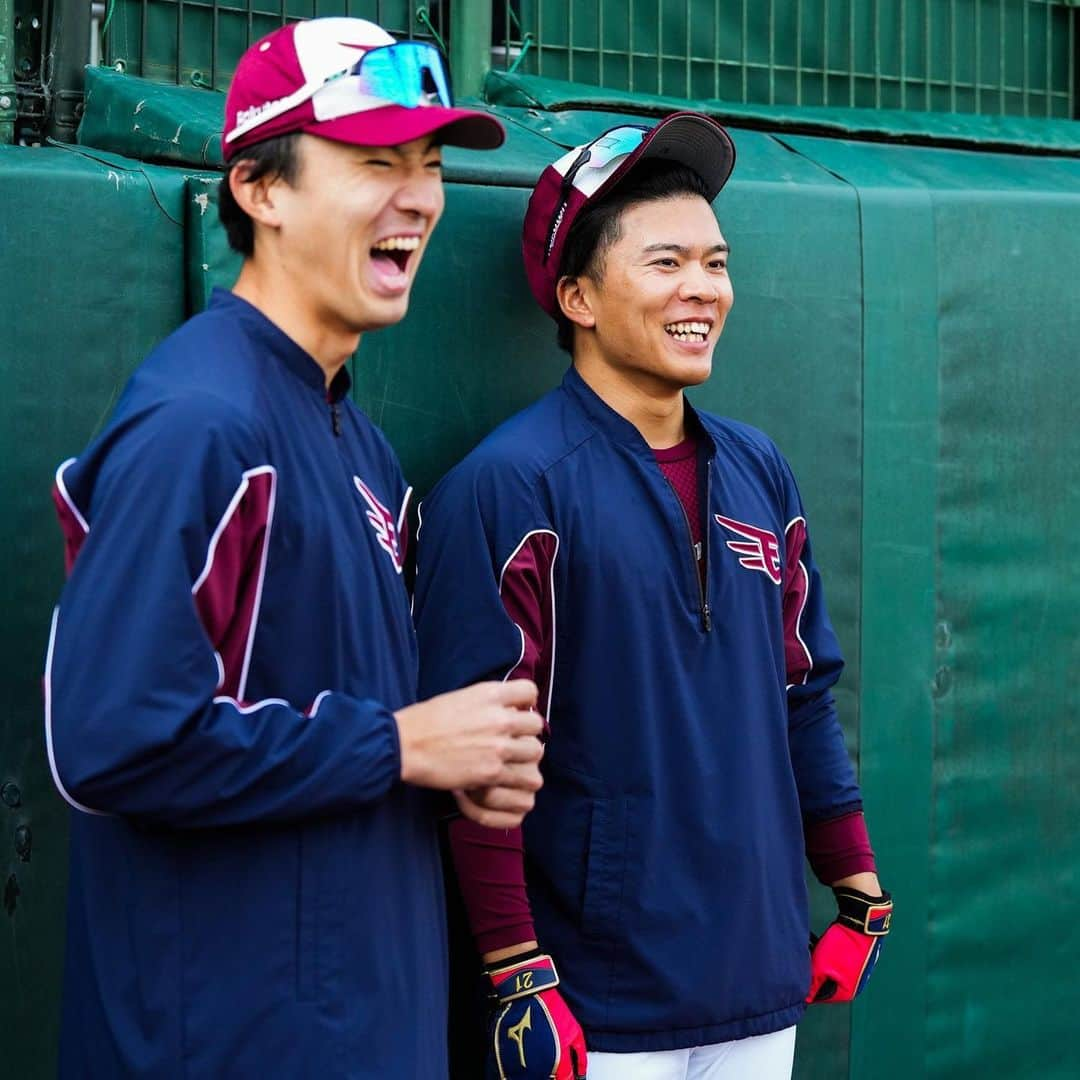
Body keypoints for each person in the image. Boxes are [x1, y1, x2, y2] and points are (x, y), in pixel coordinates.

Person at [43, 17, 545, 1078]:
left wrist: (451, 766)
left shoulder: (352, 433)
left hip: (360, 1026)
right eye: (375, 162)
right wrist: (398, 746)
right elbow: (114, 740)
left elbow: (339, 725)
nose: (420, 197)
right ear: (261, 191)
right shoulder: (200, 422)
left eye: (431, 164)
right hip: (226, 1040)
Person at [413, 113, 893, 1080]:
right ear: (579, 295)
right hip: (592, 997)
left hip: (761, 976)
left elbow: (804, 693)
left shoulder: (760, 469)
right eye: (665, 262)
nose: (702, 290)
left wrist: (856, 889)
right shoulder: (512, 485)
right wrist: (516, 969)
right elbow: (480, 755)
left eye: (715, 264)